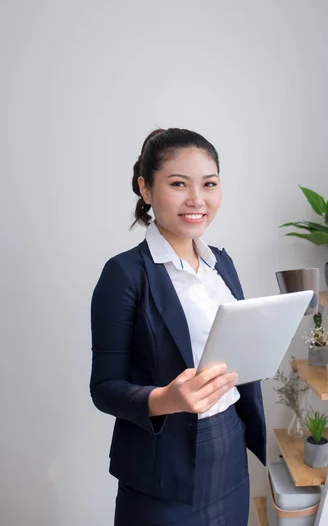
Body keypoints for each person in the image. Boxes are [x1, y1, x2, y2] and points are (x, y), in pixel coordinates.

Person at [90, 128, 266, 526]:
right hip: (162, 471)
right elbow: (104, 389)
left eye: (209, 184)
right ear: (146, 189)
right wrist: (166, 399)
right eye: (178, 184)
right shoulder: (124, 274)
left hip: (230, 451)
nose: (196, 200)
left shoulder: (222, 263)